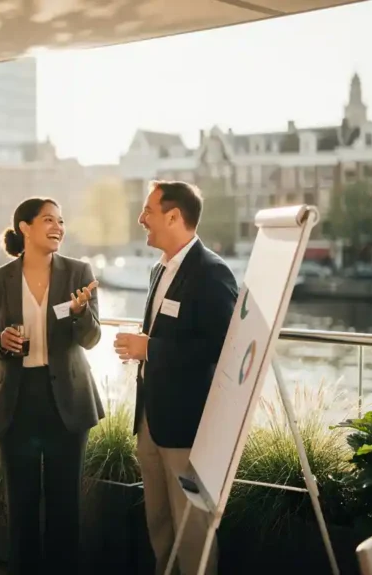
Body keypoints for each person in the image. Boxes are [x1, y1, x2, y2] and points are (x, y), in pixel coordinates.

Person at [114, 181, 238, 575]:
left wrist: (148, 348)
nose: (141, 219)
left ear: (173, 216)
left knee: (192, 529)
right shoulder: (159, 269)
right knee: (159, 523)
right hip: (151, 420)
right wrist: (144, 343)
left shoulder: (212, 272)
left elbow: (221, 348)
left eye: (147, 210)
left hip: (186, 428)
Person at [0, 197, 103, 575]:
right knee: (22, 505)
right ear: (25, 228)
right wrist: (1, 343)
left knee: (66, 506)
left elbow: (92, 339)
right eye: (49, 220)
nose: (58, 227)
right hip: (17, 402)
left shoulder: (79, 273)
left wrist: (81, 314)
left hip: (66, 401)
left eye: (61, 221)